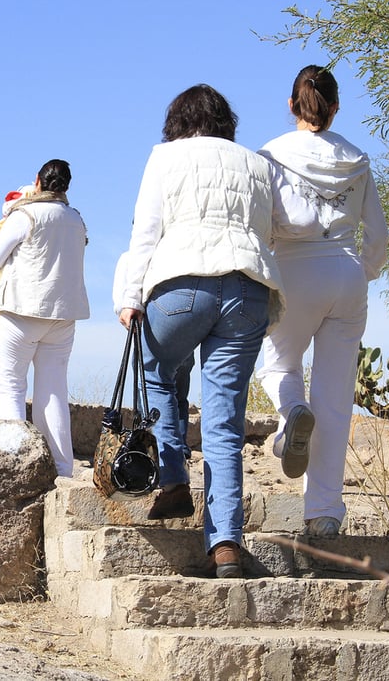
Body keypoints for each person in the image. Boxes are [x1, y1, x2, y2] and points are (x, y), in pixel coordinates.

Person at [118, 84, 284, 578]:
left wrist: (131, 297)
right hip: (250, 289)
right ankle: (226, 543)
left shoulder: (165, 158)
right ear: (226, 122)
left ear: (177, 121)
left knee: (158, 367)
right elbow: (270, 230)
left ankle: (172, 478)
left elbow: (144, 232)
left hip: (183, 284)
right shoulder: (257, 163)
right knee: (225, 420)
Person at [256, 65, 389, 538]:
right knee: (335, 399)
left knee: (278, 365)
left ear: (292, 105)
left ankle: (292, 413)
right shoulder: (358, 159)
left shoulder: (270, 155)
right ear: (335, 108)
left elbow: (260, 224)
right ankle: (326, 514)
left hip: (294, 268)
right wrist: (363, 272)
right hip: (347, 271)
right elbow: (379, 236)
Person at [0, 159, 90, 477]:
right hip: (63, 315)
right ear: (67, 187)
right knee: (53, 389)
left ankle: (14, 462)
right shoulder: (77, 220)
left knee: (11, 384)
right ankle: (62, 469)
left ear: (37, 181)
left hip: (22, 310)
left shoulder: (25, 215)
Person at [113, 250, 194, 460]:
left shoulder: (131, 258)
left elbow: (120, 303)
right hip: (184, 333)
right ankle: (181, 448)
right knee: (179, 397)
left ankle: (154, 451)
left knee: (147, 392)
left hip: (148, 335)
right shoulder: (179, 252)